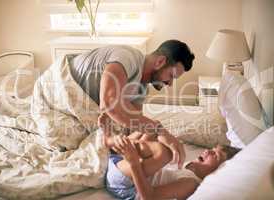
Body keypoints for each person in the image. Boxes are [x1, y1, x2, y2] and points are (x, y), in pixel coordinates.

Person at [69, 40, 195, 167]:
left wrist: (156, 135)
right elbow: (108, 103)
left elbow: (134, 125)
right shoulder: (126, 58)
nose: (170, 84)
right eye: (171, 76)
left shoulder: (141, 89)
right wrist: (160, 130)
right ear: (160, 62)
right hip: (62, 88)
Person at [104, 135, 240, 200]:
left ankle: (108, 142)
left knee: (165, 153)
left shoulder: (191, 183)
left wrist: (133, 162)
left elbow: (148, 197)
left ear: (219, 170)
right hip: (119, 166)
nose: (208, 151)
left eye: (215, 155)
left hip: (127, 185)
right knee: (153, 127)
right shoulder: (189, 165)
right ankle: (113, 143)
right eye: (212, 149)